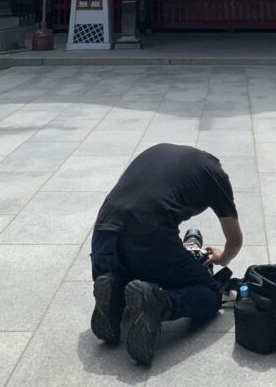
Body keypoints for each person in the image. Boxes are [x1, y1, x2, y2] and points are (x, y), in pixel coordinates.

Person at [90, 142, 243, 365]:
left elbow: (144, 205)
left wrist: (172, 248)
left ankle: (113, 288)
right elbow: (235, 240)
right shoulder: (216, 174)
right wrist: (222, 258)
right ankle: (160, 303)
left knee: (138, 267)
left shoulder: (155, 151)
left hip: (103, 237)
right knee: (210, 294)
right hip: (148, 238)